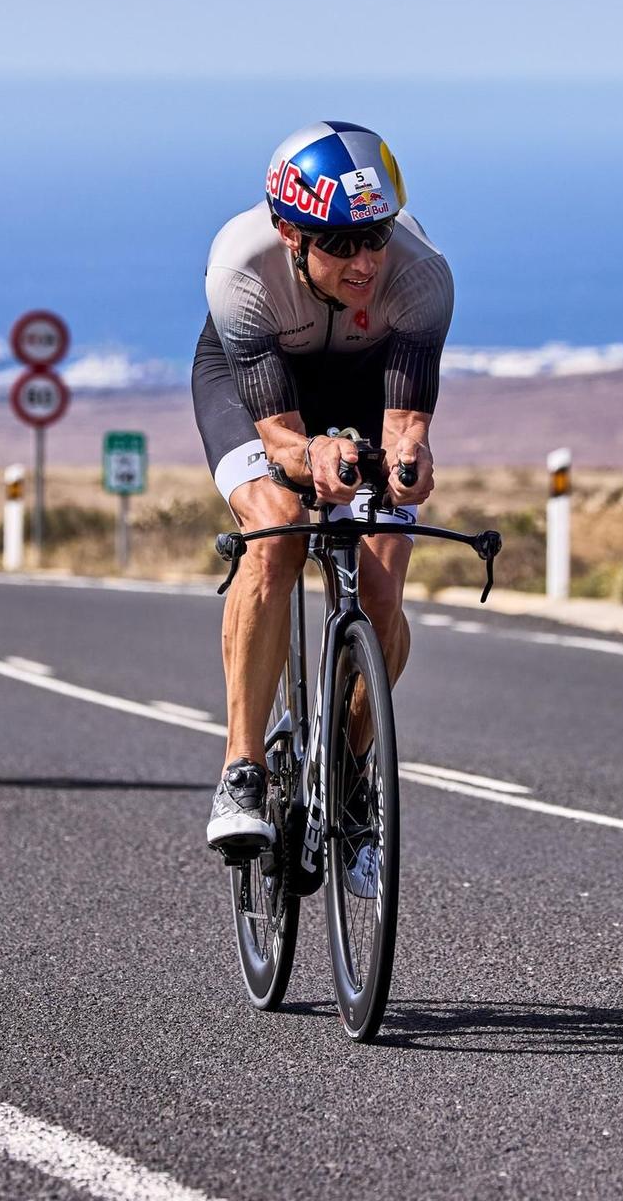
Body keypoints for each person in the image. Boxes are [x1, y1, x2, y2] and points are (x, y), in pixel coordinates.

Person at [195, 122, 451, 854]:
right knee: (275, 534)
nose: (366, 261)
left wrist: (409, 463)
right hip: (259, 388)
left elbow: (406, 423)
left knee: (383, 577)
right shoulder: (240, 269)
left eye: (376, 235)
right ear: (289, 233)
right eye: (340, 244)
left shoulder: (423, 274)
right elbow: (279, 438)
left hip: (364, 381)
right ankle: (241, 770)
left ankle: (350, 767)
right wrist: (314, 456)